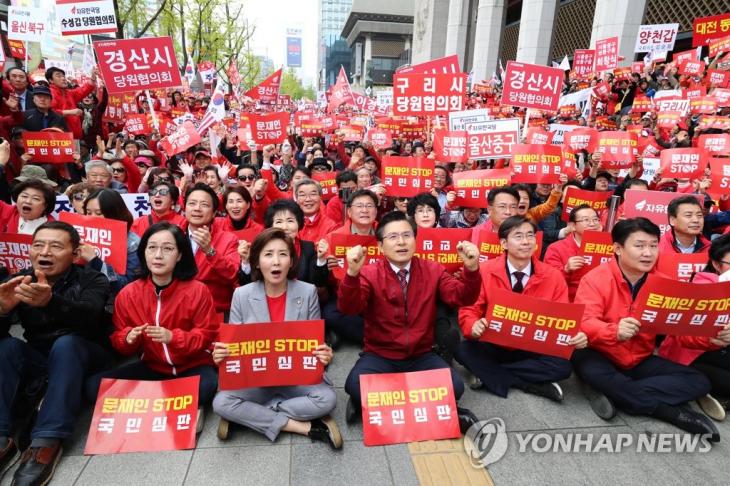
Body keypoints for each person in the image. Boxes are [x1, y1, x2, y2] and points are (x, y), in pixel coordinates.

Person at [572, 218, 728, 441]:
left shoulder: (664, 284)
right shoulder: (596, 279)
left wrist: (711, 339)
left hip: (639, 358)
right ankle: (672, 413)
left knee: (699, 381)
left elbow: (680, 331)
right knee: (594, 369)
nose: (648, 253)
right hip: (600, 353)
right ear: (617, 248)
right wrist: (613, 331)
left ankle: (614, 393)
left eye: (653, 246)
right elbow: (585, 321)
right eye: (639, 245)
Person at [338, 211, 482, 429]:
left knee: (455, 386)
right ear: (380, 246)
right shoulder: (369, 273)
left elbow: (460, 296)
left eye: (407, 235)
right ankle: (435, 407)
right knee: (353, 384)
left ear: (416, 240)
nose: (402, 242)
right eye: (393, 237)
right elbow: (349, 308)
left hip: (420, 355)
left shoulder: (432, 269)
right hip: (380, 355)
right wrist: (351, 275)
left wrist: (471, 270)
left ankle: (374, 403)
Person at [0, 222, 112, 485]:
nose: (45, 252)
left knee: (67, 344)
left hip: (86, 354)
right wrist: (2, 312)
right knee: (6, 347)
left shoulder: (93, 279)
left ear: (74, 254)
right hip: (42, 358)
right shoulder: (18, 280)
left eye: (56, 246)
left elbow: (92, 317)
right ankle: (3, 438)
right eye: (38, 245)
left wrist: (52, 303)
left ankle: (45, 441)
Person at [212, 228, 341, 448]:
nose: (276, 262)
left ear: (291, 262)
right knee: (221, 402)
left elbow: (315, 342)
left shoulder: (307, 291)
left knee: (328, 399)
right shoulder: (241, 295)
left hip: (296, 375)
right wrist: (221, 355)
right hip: (256, 377)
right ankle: (301, 426)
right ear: (256, 261)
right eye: (268, 254)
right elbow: (234, 347)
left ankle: (253, 417)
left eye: (283, 254)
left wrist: (324, 353)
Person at [85, 222, 219, 428]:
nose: (158, 255)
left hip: (193, 365)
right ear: (144, 252)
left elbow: (207, 335)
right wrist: (128, 338)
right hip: (153, 367)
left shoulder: (197, 290)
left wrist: (173, 337)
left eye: (168, 249)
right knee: (94, 387)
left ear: (180, 255)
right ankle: (175, 402)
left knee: (208, 386)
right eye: (152, 247)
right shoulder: (128, 294)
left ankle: (153, 401)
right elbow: (118, 340)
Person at [457, 216, 587, 401]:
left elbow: (563, 317)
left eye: (530, 236)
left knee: (563, 367)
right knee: (463, 350)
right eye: (518, 236)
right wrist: (474, 325)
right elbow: (469, 309)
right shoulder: (485, 270)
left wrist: (576, 333)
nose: (526, 241)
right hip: (495, 341)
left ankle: (489, 375)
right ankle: (531, 384)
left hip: (533, 344)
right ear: (503, 243)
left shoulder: (553, 276)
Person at [658, 233, 730, 420]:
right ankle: (697, 389)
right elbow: (685, 336)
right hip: (695, 354)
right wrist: (715, 337)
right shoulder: (703, 285)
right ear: (716, 264)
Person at [181, 183, 239, 316]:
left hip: (214, 312)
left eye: (204, 205)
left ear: (214, 213)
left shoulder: (229, 239)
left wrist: (210, 251)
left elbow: (233, 275)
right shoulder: (172, 235)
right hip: (180, 311)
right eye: (192, 203)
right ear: (184, 209)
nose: (197, 209)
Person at [240, 200, 328, 288]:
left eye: (290, 221)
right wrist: (246, 261)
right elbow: (249, 285)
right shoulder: (261, 249)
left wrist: (321, 259)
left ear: (298, 223)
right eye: (279, 222)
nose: (285, 227)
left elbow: (318, 283)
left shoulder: (308, 248)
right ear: (271, 226)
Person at [80, 189, 142, 296]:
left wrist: (95, 261)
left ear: (114, 213)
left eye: (99, 213)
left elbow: (126, 286)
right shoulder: (79, 235)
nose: (91, 217)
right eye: (88, 212)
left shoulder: (132, 243)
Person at [543, 204, 603, 301]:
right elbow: (549, 282)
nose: (592, 224)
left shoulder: (609, 247)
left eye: (595, 219)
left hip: (600, 301)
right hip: (570, 302)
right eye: (586, 220)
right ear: (572, 226)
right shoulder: (556, 249)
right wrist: (566, 270)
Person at [47, 66, 98, 140]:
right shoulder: (50, 93)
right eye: (58, 76)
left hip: (74, 137)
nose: (63, 78)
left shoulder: (68, 93)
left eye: (63, 76)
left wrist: (93, 77)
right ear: (51, 80)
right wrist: (71, 112)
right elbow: (49, 112)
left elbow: (83, 90)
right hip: (61, 138)